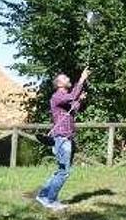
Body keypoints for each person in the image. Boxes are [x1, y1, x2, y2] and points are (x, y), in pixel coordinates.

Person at [36, 68, 89, 210]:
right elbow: (72, 97)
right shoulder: (57, 96)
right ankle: (51, 201)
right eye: (65, 78)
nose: (68, 79)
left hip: (67, 138)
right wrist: (82, 79)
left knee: (61, 170)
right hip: (62, 138)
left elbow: (74, 107)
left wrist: (80, 100)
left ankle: (42, 195)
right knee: (64, 172)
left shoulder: (64, 99)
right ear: (59, 84)